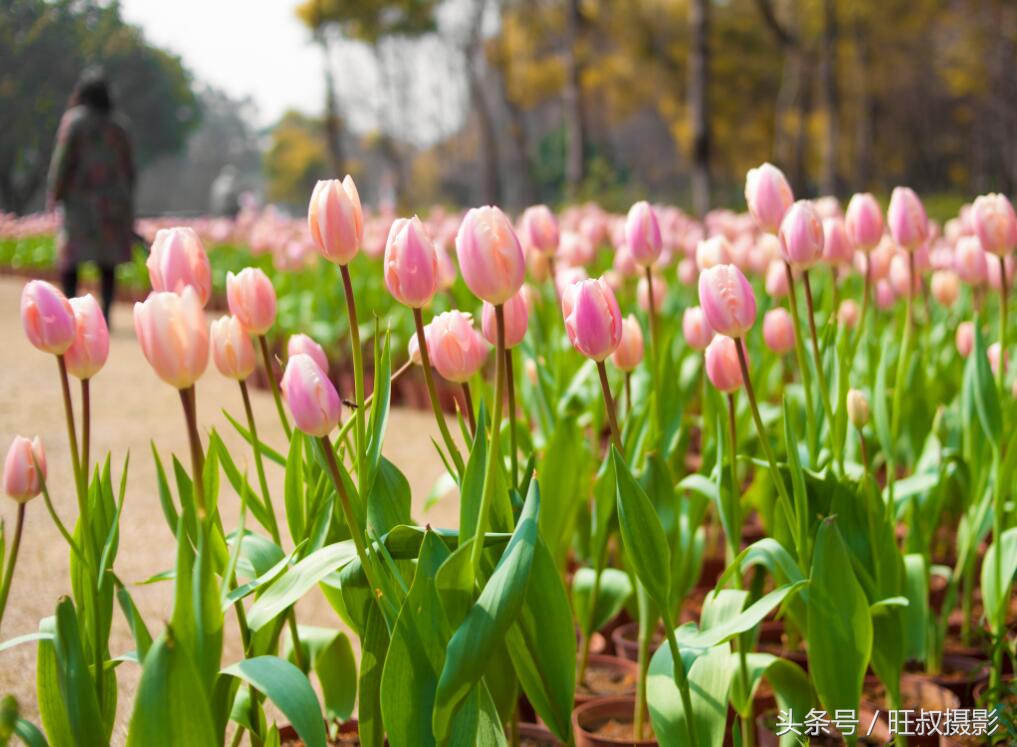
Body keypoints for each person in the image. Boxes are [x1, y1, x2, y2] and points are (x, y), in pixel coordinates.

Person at [47, 69, 136, 323]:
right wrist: (127, 201)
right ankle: (105, 315)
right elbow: (130, 170)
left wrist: (55, 194)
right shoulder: (119, 127)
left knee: (71, 260)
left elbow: (62, 162)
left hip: (79, 202)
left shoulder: (74, 122)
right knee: (108, 262)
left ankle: (70, 313)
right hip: (113, 204)